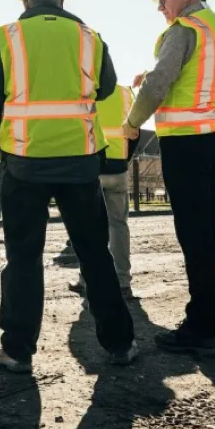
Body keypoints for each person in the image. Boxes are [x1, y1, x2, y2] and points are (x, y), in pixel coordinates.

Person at [0, 0, 137, 372]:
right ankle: (120, 344)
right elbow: (105, 89)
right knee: (95, 255)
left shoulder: (6, 36)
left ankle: (17, 350)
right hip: (80, 162)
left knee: (24, 259)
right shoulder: (89, 37)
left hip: (24, 163)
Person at [126, 0, 215, 358]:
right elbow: (195, 81)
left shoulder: (183, 29)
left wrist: (131, 123)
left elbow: (161, 83)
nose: (161, 8)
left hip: (188, 146)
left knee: (196, 239)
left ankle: (201, 328)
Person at [69, 82, 138, 301]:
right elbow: (135, 132)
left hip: (90, 168)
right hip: (117, 168)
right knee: (119, 225)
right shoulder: (126, 94)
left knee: (88, 228)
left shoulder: (82, 90)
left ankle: (86, 280)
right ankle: (123, 282)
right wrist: (124, 159)